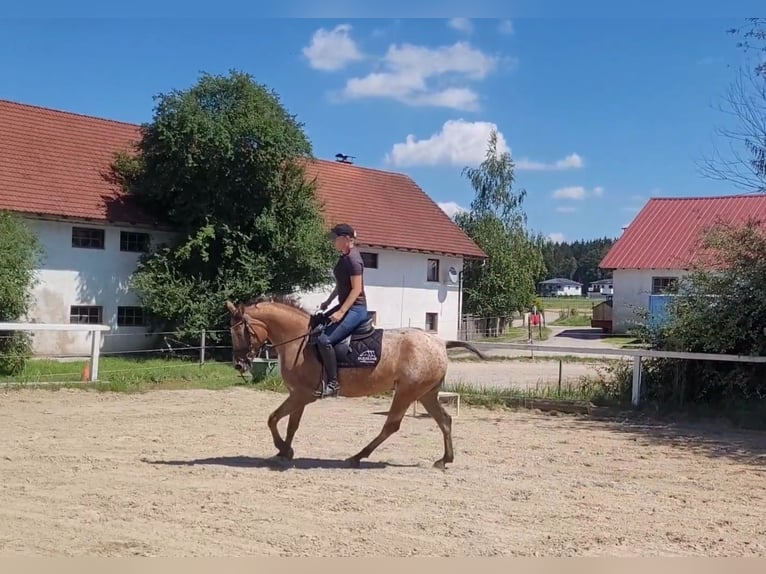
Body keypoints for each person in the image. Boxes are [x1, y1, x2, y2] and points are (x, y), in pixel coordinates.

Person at [315, 223, 369, 398]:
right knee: (316, 325)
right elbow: (341, 285)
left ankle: (333, 383)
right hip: (345, 305)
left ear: (346, 239)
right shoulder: (344, 257)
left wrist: (340, 311)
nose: (333, 241)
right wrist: (329, 302)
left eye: (335, 238)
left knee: (324, 340)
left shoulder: (354, 260)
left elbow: (356, 289)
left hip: (356, 309)